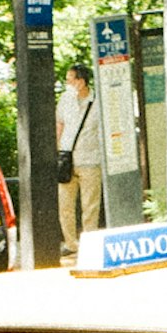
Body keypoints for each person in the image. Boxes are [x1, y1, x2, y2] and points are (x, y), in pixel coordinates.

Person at [59, 60, 105, 248]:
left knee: (90, 206)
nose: (68, 83)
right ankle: (71, 244)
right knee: (65, 206)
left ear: (82, 81)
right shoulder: (64, 100)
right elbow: (59, 124)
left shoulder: (97, 101)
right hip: (67, 159)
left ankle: (90, 244)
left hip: (91, 159)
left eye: (70, 80)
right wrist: (58, 151)